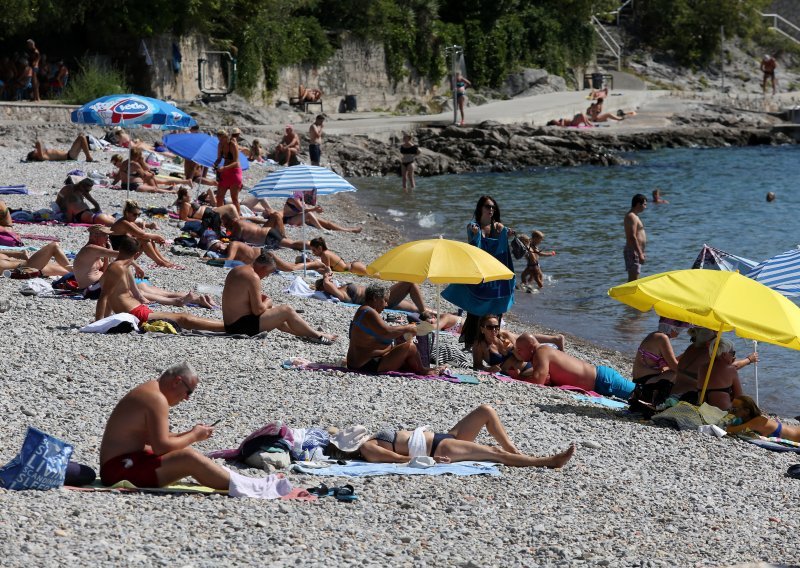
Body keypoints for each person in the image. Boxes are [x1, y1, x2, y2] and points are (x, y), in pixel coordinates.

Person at [100, 363, 292, 498]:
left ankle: (244, 482)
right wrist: (194, 436)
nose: (187, 398)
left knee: (184, 452)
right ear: (177, 381)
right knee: (188, 458)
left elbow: (157, 440)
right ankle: (253, 487)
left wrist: (190, 433)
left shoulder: (152, 390)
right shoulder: (156, 399)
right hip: (117, 470)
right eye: (188, 392)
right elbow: (160, 447)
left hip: (125, 461)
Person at [353, 404, 575, 468]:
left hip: (444, 437)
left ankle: (514, 451)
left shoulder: (368, 440)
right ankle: (547, 462)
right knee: (494, 454)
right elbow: (400, 459)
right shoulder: (367, 449)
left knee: (486, 410)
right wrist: (430, 460)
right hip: (440, 449)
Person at [95, 236, 224, 330]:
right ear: (137, 253)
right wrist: (99, 324)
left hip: (139, 310)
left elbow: (111, 298)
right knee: (183, 318)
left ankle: (227, 325)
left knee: (183, 318)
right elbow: (104, 297)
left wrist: (106, 320)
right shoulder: (117, 268)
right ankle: (229, 327)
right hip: (137, 314)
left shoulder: (122, 266)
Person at [74, 225, 215, 307]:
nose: (107, 238)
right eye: (105, 236)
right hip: (91, 289)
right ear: (94, 236)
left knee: (145, 287)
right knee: (137, 291)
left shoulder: (97, 250)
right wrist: (136, 266)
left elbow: (105, 271)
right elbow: (120, 255)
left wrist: (106, 259)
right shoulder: (90, 248)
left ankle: (195, 298)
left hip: (100, 284)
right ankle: (176, 301)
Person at [442, 195, 515, 349]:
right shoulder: (473, 226)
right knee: (476, 307)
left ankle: (491, 341)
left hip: (495, 272)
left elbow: (504, 244)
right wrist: (475, 234)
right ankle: (471, 341)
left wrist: (506, 234)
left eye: (493, 207)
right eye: (488, 206)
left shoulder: (498, 227)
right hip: (479, 271)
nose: (491, 210)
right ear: (480, 208)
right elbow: (473, 246)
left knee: (495, 306)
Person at [221, 250, 337, 343]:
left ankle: (308, 333)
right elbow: (258, 311)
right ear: (262, 267)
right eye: (268, 273)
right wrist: (268, 301)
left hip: (231, 324)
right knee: (286, 310)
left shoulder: (238, 269)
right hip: (240, 327)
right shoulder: (253, 277)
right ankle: (318, 336)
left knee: (277, 314)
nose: (266, 276)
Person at [515, 333, 635, 399]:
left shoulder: (540, 353)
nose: (518, 353)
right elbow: (542, 377)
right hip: (600, 380)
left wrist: (517, 378)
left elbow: (537, 380)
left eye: (520, 349)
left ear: (530, 346)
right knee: (641, 395)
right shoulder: (543, 352)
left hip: (603, 380)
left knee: (643, 393)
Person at [346, 284, 434, 374]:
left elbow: (383, 334)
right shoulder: (368, 312)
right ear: (375, 298)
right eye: (385, 300)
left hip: (358, 362)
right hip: (366, 365)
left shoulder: (363, 311)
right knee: (410, 347)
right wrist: (408, 327)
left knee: (405, 350)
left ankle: (419, 369)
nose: (386, 304)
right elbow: (387, 332)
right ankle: (422, 370)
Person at [672, 327, 757, 399]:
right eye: (716, 338)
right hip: (687, 397)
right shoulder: (709, 353)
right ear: (710, 342)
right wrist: (749, 359)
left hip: (674, 392)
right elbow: (730, 368)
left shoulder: (691, 348)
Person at [472, 314, 564, 377]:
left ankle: (556, 344)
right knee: (553, 375)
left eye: (496, 327)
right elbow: (477, 365)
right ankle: (555, 341)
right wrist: (488, 369)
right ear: (482, 329)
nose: (494, 330)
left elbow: (522, 357)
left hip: (529, 365)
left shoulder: (505, 336)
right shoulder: (479, 345)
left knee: (556, 372)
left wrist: (513, 349)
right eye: (490, 327)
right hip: (518, 373)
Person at [314, 271, 431, 314]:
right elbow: (326, 284)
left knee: (414, 308)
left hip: (381, 296)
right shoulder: (341, 295)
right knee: (409, 283)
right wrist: (325, 277)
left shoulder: (340, 290)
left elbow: (327, 284)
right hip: (379, 299)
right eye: (331, 282)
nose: (332, 282)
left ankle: (442, 315)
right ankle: (425, 315)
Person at [110, 201, 175, 268]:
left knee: (148, 239)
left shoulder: (128, 221)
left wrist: (154, 237)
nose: (136, 217)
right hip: (118, 251)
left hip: (123, 247)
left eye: (138, 215)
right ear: (127, 213)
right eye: (135, 214)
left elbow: (142, 233)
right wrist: (158, 236)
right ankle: (160, 262)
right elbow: (142, 235)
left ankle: (162, 260)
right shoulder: (124, 222)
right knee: (144, 240)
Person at [695, 337, 743, 411]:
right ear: (724, 355)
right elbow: (739, 397)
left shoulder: (702, 368)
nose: (734, 356)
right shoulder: (731, 370)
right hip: (723, 413)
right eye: (732, 353)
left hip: (703, 412)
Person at [726, 396, 800, 441]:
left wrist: (730, 415)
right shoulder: (748, 420)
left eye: (734, 409)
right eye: (731, 408)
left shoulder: (758, 421)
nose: (731, 411)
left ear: (747, 411)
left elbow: (729, 430)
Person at [282, 192, 362, 233]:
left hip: (299, 216)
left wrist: (316, 209)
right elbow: (304, 210)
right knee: (309, 214)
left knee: (327, 223)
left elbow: (306, 208)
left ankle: (349, 230)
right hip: (289, 220)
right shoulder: (293, 197)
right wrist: (314, 209)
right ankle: (322, 230)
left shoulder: (300, 197)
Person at [225, 214, 304, 251]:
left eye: (226, 224)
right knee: (291, 243)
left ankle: (312, 245)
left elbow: (234, 240)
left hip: (267, 236)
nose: (226, 226)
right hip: (267, 232)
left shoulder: (237, 225)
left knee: (292, 244)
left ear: (231, 221)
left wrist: (224, 237)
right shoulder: (241, 221)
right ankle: (283, 237)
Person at [212, 129, 242, 214]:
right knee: (219, 196)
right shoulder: (220, 145)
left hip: (234, 172)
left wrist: (224, 168)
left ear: (226, 137)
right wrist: (215, 164)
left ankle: (238, 218)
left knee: (234, 198)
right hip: (225, 171)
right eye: (219, 139)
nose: (220, 141)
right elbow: (219, 158)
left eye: (221, 139)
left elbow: (236, 162)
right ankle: (219, 215)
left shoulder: (232, 144)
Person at [0, 241, 71, 276]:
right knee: (53, 246)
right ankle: (74, 272)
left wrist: (18, 254)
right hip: (27, 268)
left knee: (64, 269)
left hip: (29, 265)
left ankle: (74, 272)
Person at [173, 187, 240, 223]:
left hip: (210, 212)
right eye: (188, 193)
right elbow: (184, 218)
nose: (190, 195)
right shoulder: (185, 204)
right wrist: (199, 221)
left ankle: (242, 223)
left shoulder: (187, 203)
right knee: (231, 207)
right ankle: (240, 225)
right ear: (184, 197)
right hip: (208, 214)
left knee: (232, 217)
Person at [624, 193, 647, 281]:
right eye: (644, 204)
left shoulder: (634, 216)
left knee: (635, 278)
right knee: (633, 280)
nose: (645, 207)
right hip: (633, 251)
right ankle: (625, 294)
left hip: (635, 251)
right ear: (638, 204)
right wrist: (640, 253)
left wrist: (641, 251)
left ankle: (628, 294)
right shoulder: (631, 216)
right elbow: (632, 236)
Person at [26, 135, 94, 162]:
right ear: (34, 156)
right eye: (33, 152)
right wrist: (37, 147)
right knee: (81, 137)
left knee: (82, 137)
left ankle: (88, 156)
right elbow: (38, 142)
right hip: (69, 156)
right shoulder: (42, 156)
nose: (35, 150)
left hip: (69, 154)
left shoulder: (44, 153)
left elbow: (40, 143)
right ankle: (88, 157)